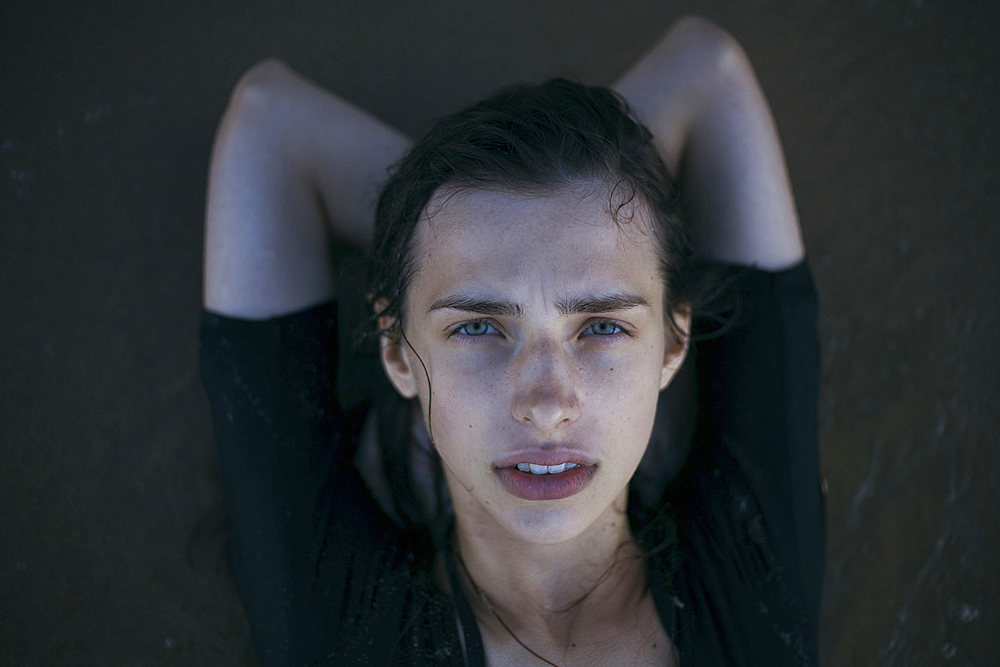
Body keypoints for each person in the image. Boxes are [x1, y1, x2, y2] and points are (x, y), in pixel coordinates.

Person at [199, 15, 824, 666]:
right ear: (396, 351)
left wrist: (454, 223)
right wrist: (441, 225)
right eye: (478, 326)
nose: (548, 404)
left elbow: (709, 67)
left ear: (672, 345)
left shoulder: (330, 630)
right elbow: (266, 121)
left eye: (603, 326)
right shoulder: (754, 569)